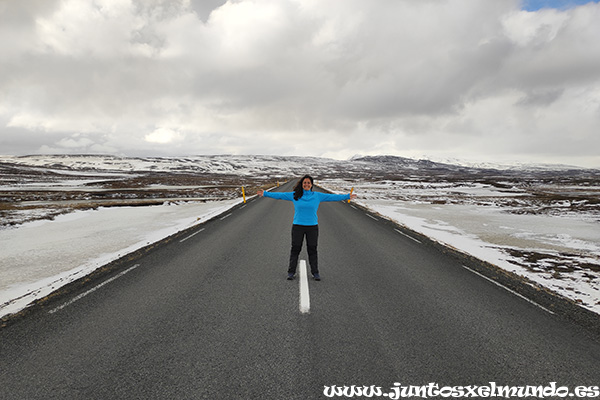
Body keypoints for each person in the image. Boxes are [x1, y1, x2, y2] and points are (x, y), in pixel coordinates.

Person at [257, 175, 357, 281]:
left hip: (312, 227)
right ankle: (291, 272)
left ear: (311, 185)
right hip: (298, 226)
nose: (306, 184)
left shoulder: (317, 196)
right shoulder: (295, 195)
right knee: (295, 249)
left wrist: (347, 196)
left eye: (308, 183)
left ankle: (315, 272)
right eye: (305, 182)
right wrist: (265, 193)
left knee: (312, 249)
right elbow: (280, 195)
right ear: (302, 184)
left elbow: (332, 197)